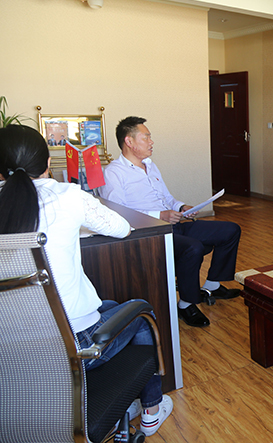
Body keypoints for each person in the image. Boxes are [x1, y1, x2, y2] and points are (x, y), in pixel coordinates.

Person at [0, 124, 173, 437]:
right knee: (141, 313)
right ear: (47, 163)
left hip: (8, 356)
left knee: (108, 306)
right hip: (72, 347)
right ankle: (151, 409)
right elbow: (121, 228)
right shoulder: (66, 196)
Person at [101, 116, 241, 328]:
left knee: (230, 230)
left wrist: (181, 207)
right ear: (129, 141)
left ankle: (212, 285)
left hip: (174, 225)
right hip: (149, 233)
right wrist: (160, 215)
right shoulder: (113, 173)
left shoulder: (150, 166)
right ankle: (186, 305)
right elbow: (119, 213)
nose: (151, 142)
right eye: (146, 137)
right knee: (193, 248)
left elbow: (167, 198)